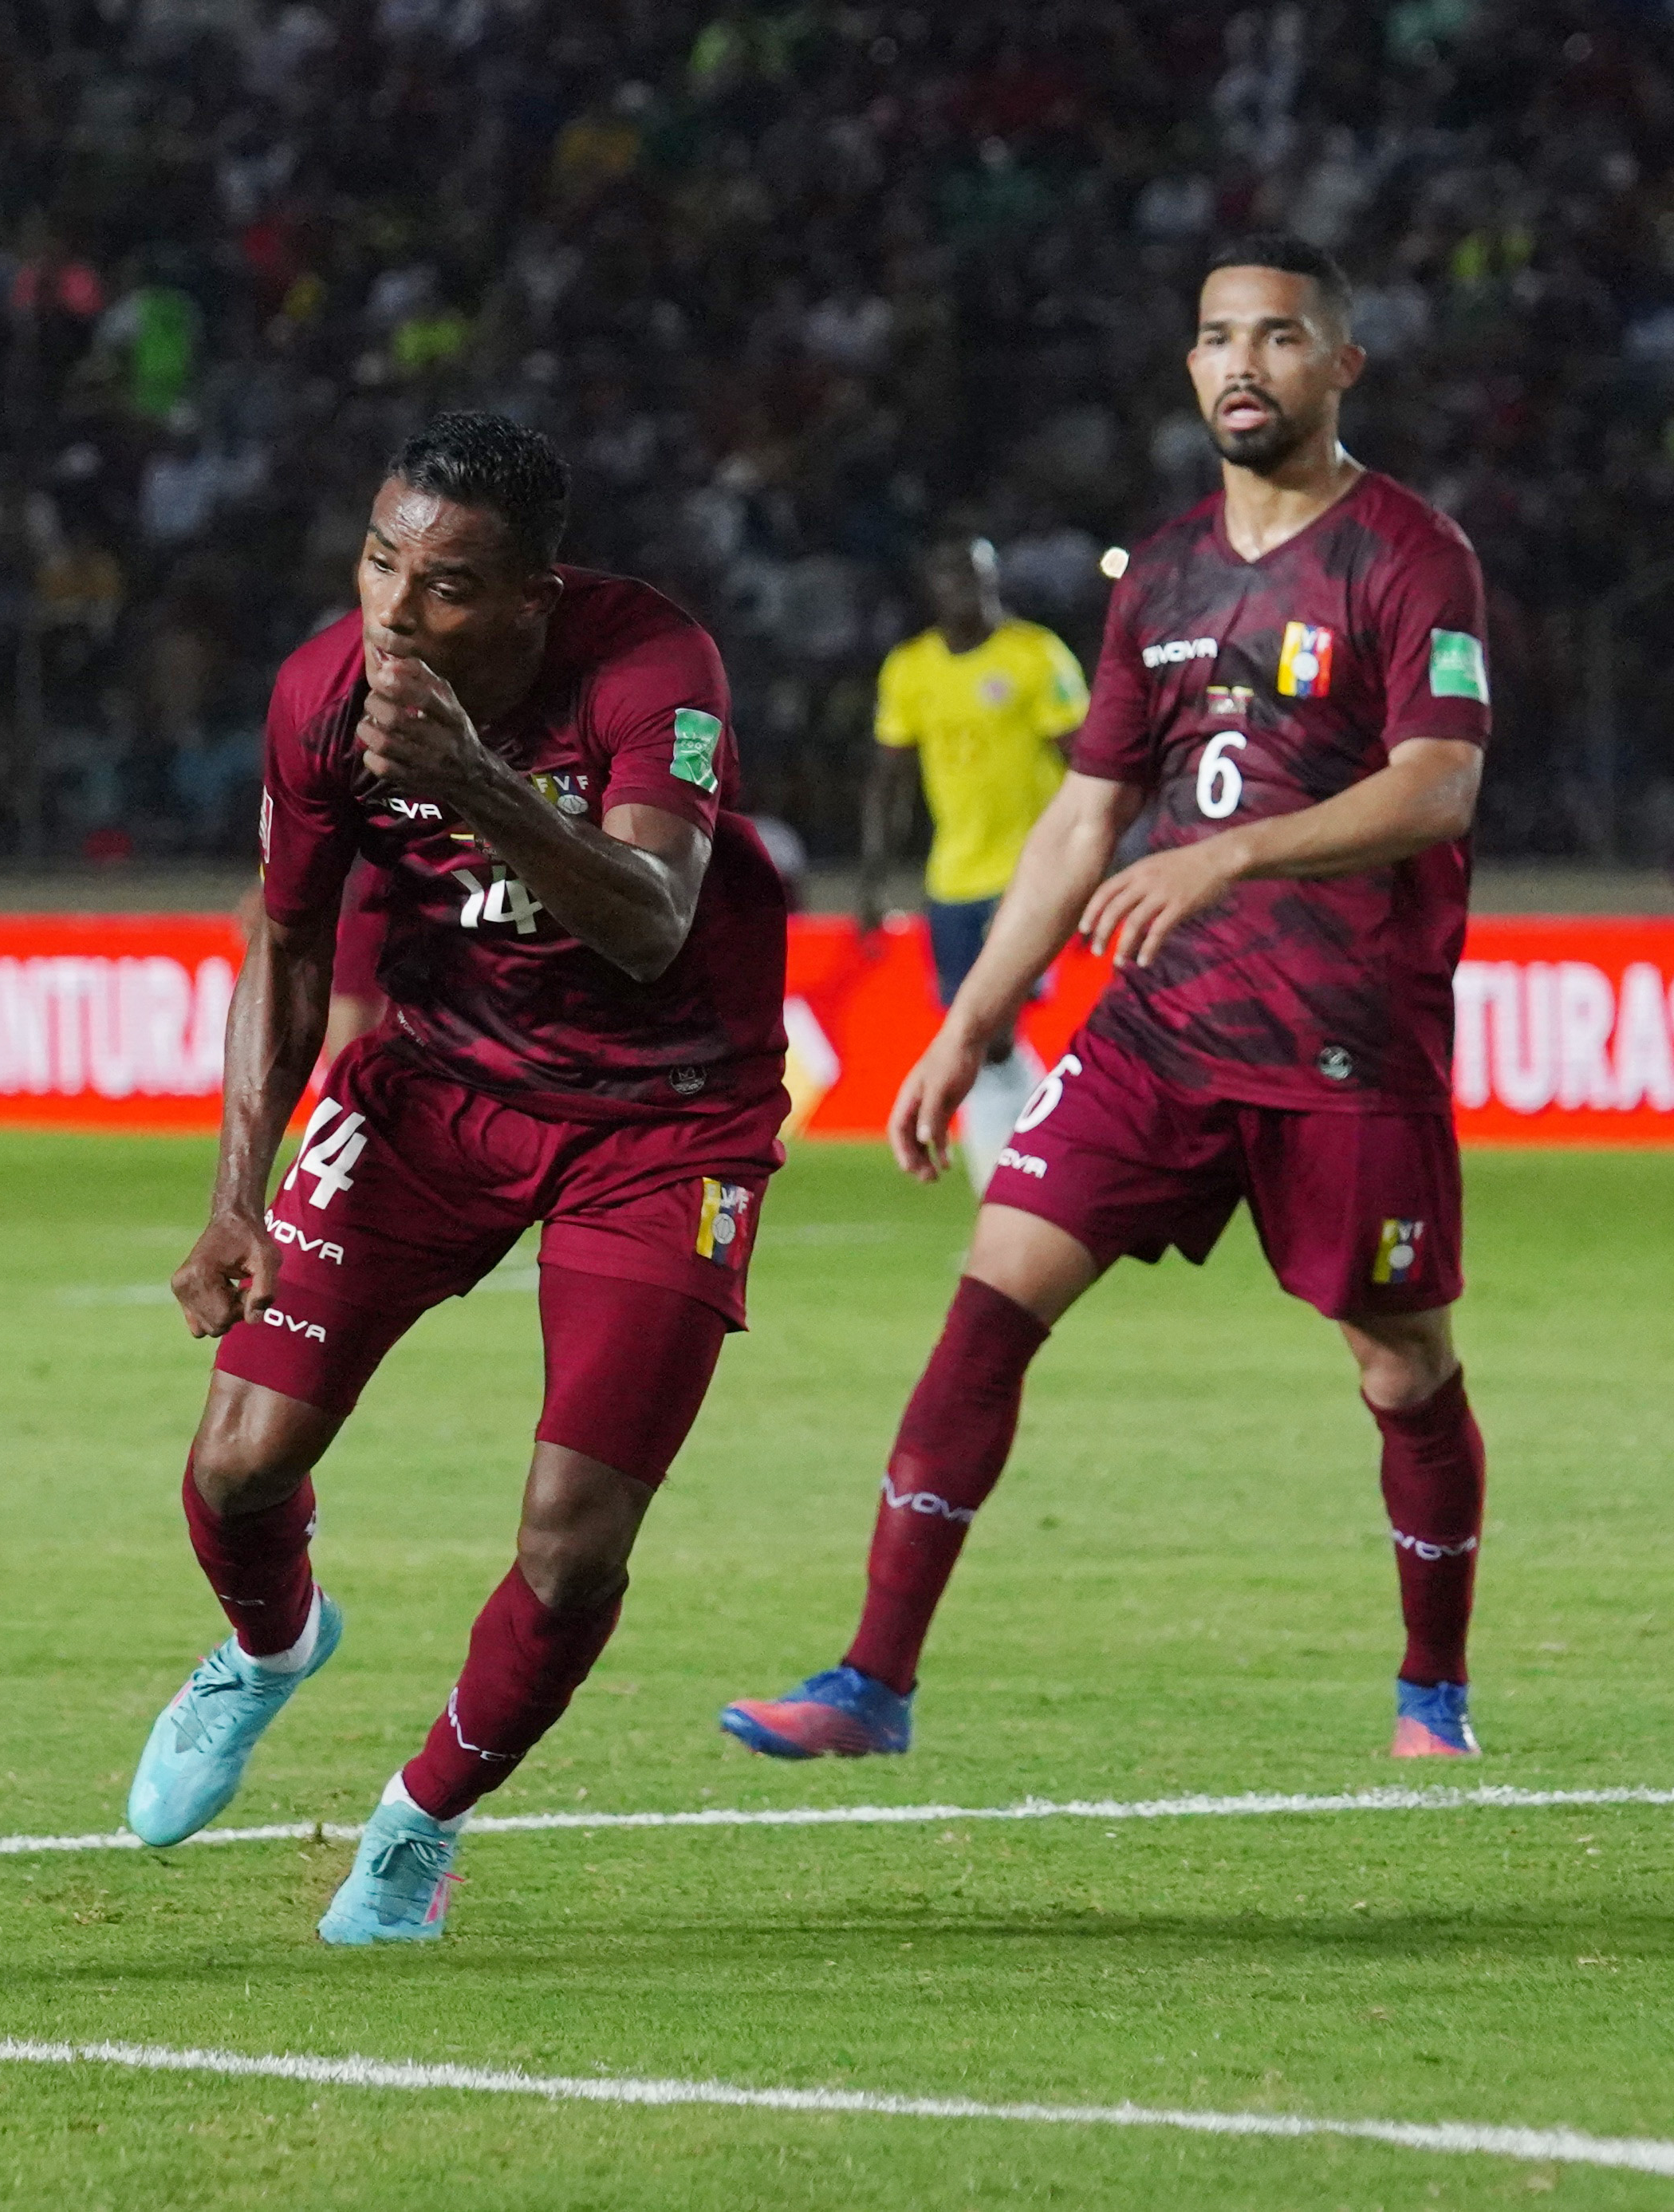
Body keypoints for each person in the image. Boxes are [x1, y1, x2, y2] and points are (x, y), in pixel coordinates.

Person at [723, 235, 1494, 1764]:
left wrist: (1232, 853)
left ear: (1343, 364)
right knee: (991, 1296)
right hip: (1162, 1026)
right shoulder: (1164, 574)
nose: (1241, 362)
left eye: (1279, 336)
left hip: (1346, 1041)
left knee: (1400, 1359)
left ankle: (1433, 1692)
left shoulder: (1411, 554)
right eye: (1217, 336)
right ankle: (873, 1680)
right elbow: (1084, 817)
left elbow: (1437, 785)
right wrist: (969, 1022)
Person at [133, 412, 789, 1945]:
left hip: (667, 1120)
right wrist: (235, 1192)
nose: (396, 608)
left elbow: (653, 921)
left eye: (444, 584)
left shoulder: (654, 669)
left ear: (532, 597)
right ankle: (271, 1645)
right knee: (237, 1462)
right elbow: (289, 943)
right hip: (438, 1084)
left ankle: (418, 1822)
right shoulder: (321, 693)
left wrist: (477, 782)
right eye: (380, 562)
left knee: (575, 1535)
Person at [859, 536, 1089, 1189]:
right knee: (985, 1037)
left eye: (981, 577)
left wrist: (1100, 856)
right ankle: (1038, 1166)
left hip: (1031, 873)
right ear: (933, 590)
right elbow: (889, 782)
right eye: (956, 578)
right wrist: (874, 880)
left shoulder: (1035, 655)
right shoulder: (910, 669)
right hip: (953, 879)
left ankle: (1009, 1184)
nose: (972, 591)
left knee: (989, 1031)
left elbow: (1087, 761)